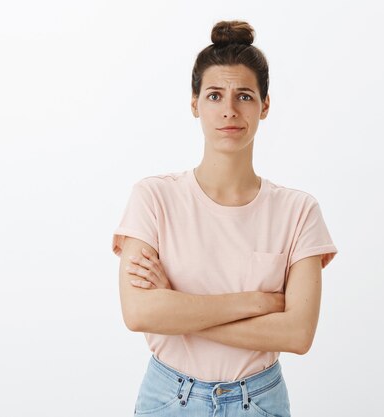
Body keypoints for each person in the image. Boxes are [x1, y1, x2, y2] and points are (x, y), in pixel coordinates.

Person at [111, 20, 338, 417]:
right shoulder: (153, 198)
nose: (229, 110)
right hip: (169, 398)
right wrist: (256, 303)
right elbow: (139, 313)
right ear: (194, 103)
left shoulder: (299, 211)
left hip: (260, 401)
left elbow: (298, 334)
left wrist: (178, 310)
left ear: (265, 106)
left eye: (245, 96)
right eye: (215, 95)